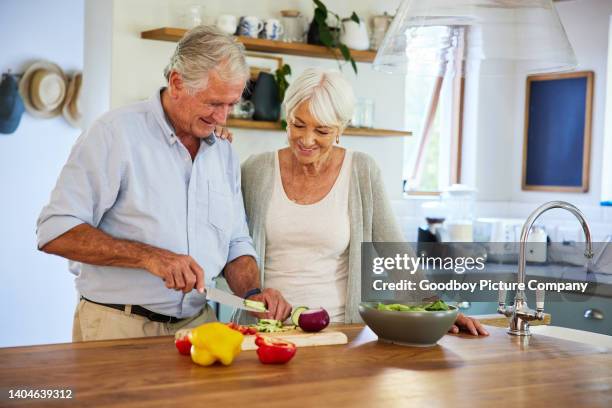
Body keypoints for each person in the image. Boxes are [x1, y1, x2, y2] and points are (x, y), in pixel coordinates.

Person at [36, 25, 291, 342]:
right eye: (213, 103)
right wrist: (150, 257)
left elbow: (235, 242)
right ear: (177, 83)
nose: (223, 118)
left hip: (199, 326)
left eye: (231, 104)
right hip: (119, 327)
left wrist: (253, 293)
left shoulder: (222, 152)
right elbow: (54, 231)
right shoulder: (115, 133)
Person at [239, 68, 487, 336]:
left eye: (321, 130)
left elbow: (395, 254)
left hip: (338, 332)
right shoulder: (257, 170)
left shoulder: (361, 171)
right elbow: (233, 246)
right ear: (287, 116)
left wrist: (435, 310)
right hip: (263, 331)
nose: (307, 139)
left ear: (340, 129)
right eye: (298, 124)